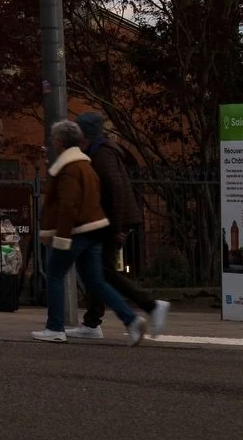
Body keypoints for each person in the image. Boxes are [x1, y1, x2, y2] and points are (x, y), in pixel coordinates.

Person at [32, 118, 146, 344]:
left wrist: (60, 237)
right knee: (96, 281)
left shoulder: (70, 167)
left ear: (62, 141)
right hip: (94, 230)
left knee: (54, 275)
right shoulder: (86, 164)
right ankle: (131, 320)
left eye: (54, 138)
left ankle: (55, 327)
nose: (52, 142)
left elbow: (68, 206)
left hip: (76, 231)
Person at [69, 111, 169, 340]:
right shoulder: (99, 151)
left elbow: (116, 190)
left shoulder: (102, 154)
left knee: (101, 273)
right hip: (107, 222)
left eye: (79, 131)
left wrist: (118, 228)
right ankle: (92, 323)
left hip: (110, 223)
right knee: (97, 272)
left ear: (87, 134)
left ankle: (151, 306)